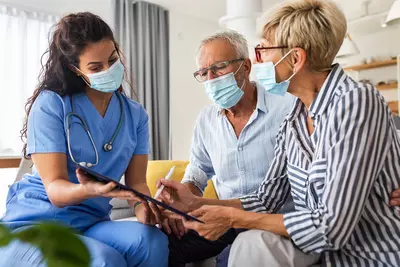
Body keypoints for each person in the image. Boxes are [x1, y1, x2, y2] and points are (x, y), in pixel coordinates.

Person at [159, 0, 400, 266]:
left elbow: (331, 228)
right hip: (314, 248)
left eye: (263, 50)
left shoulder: (356, 101)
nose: (257, 59)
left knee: (250, 244)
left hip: (370, 255)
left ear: (295, 59)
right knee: (244, 244)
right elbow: (267, 198)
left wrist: (233, 219)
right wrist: (193, 203)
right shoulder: (296, 116)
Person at [0, 12, 168, 267]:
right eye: (96, 67)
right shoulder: (51, 105)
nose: (108, 70)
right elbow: (55, 190)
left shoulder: (135, 115)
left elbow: (137, 185)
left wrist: (145, 208)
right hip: (37, 221)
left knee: (151, 241)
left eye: (112, 60)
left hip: (91, 222)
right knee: (104, 261)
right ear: (75, 69)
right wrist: (89, 190)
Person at [164, 30, 295, 267]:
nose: (211, 78)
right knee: (165, 243)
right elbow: (198, 173)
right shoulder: (206, 120)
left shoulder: (285, 108)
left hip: (273, 221)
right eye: (204, 73)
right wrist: (181, 200)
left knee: (230, 259)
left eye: (219, 68)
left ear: (245, 66)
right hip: (225, 217)